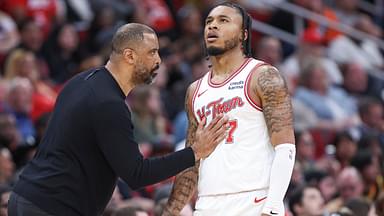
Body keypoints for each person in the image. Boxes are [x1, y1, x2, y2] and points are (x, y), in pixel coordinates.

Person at [7, 23, 229, 216]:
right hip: (52, 208)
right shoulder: (109, 104)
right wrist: (194, 152)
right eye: (152, 52)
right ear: (130, 56)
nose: (159, 60)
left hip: (29, 197)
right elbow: (136, 173)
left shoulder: (81, 80)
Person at [163, 3, 295, 216]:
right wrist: (170, 212)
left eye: (223, 21)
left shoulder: (263, 76)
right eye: (209, 22)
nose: (213, 26)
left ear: (243, 34)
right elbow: (191, 162)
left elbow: (285, 147)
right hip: (207, 205)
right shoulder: (194, 91)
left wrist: (273, 206)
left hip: (254, 201)